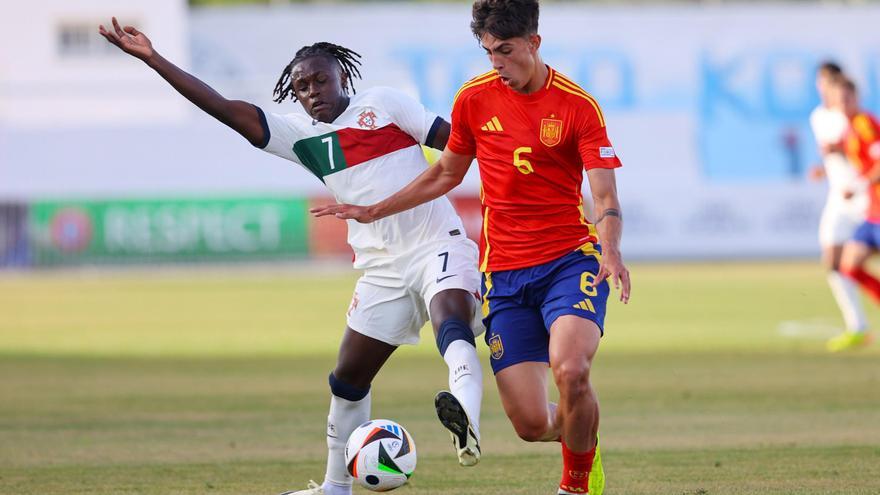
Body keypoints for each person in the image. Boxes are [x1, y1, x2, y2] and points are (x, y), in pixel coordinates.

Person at [98, 17, 485, 495]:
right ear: (294, 94)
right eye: (302, 85)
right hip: (381, 270)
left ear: (342, 75)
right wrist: (154, 59)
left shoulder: (383, 104)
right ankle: (333, 488)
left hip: (437, 242)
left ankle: (467, 418)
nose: (313, 90)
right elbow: (222, 107)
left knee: (451, 320)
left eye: (321, 78)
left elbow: (460, 146)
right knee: (346, 379)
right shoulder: (299, 137)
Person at [311, 2, 630, 493]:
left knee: (571, 370)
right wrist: (375, 210)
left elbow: (605, 196)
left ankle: (577, 483)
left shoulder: (576, 105)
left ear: (534, 43)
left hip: (570, 261)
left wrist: (610, 249)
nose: (496, 62)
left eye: (505, 51)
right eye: (488, 52)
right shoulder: (474, 99)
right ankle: (582, 435)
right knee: (531, 424)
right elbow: (444, 173)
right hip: (503, 276)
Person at [807, 62, 870, 352]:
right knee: (834, 260)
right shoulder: (819, 117)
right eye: (822, 83)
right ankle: (857, 325)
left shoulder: (856, 118)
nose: (825, 89)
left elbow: (866, 152)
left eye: (830, 83)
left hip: (865, 196)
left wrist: (843, 155)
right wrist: (825, 168)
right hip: (840, 196)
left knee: (854, 260)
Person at [830, 75, 877, 351]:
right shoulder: (848, 130)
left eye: (848, 97)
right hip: (872, 213)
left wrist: (858, 186)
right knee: (849, 265)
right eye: (839, 99)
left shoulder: (865, 124)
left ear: (856, 98)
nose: (844, 103)